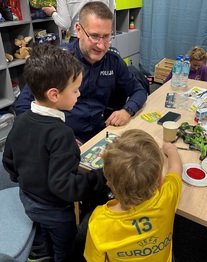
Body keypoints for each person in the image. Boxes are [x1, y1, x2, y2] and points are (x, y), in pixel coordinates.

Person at [2, 44, 108, 262]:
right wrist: (101, 176)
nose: (79, 94)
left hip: (27, 198)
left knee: (40, 230)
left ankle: (39, 251)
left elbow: (8, 161)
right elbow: (66, 188)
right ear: (54, 94)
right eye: (76, 89)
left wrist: (26, 179)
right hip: (55, 210)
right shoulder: (62, 134)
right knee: (65, 246)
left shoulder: (20, 120)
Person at [14, 2, 147, 144]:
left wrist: (127, 110)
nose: (101, 45)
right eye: (94, 36)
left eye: (107, 37)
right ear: (78, 30)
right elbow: (22, 107)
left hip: (101, 132)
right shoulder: (58, 61)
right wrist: (55, 135)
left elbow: (138, 90)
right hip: (62, 136)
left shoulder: (113, 60)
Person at [84, 129, 183, 262]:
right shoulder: (167, 194)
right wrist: (171, 149)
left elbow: (94, 259)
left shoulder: (99, 223)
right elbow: (176, 167)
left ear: (108, 180)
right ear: (160, 181)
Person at [42, 0, 116, 42]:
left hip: (79, 39)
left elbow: (64, 24)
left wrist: (52, 13)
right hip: (103, 38)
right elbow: (110, 15)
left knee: (78, 68)